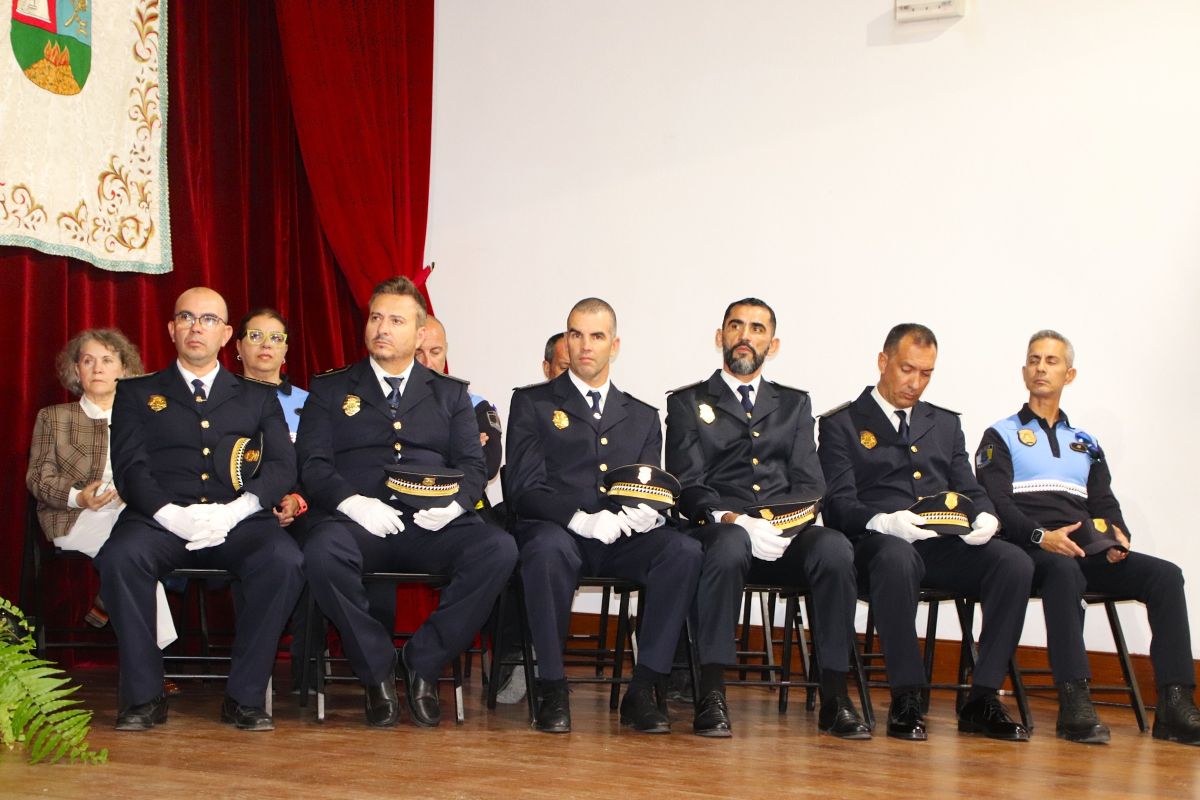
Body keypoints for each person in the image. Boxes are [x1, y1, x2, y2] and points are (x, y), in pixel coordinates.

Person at [295, 276, 517, 728]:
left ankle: (422, 662)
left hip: (430, 520)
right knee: (320, 552)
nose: (382, 328)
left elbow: (473, 466)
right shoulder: (332, 388)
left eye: (396, 320)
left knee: (498, 550)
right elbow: (314, 464)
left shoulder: (450, 394)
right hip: (359, 523)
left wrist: (454, 507)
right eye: (376, 317)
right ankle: (376, 670)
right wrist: (355, 505)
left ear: (419, 335)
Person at [975, 330, 1200, 746]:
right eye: (1035, 360)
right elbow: (998, 505)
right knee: (1062, 571)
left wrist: (1118, 538)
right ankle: (1074, 701)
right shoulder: (1000, 435)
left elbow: (1104, 501)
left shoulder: (1086, 443)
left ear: (1069, 374)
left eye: (1052, 361)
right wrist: (1043, 536)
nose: (1041, 367)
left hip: (1085, 548)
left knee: (1166, 576)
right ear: (1024, 371)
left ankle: (1175, 704)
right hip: (1032, 549)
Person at [97, 287, 304, 732]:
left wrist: (236, 511)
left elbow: (283, 465)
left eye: (209, 319)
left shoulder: (256, 396)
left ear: (226, 334)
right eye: (187, 317)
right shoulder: (137, 393)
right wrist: (172, 514)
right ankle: (144, 697)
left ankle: (244, 698)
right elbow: (130, 468)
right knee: (120, 557)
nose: (197, 326)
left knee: (285, 560)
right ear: (172, 328)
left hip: (237, 520)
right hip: (161, 521)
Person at [818, 323, 1033, 741]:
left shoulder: (944, 424)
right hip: (875, 547)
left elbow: (969, 488)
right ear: (883, 362)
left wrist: (986, 515)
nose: (915, 383)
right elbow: (838, 505)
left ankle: (982, 697)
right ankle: (906, 695)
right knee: (897, 558)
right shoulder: (842, 423)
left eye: (926, 373)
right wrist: (884, 522)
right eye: (906, 369)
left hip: (939, 544)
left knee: (1014, 562)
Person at [664, 298, 868, 739]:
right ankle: (712, 693)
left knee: (834, 548)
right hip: (721, 531)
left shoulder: (794, 404)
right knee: (728, 543)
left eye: (757, 329)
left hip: (783, 534)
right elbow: (688, 484)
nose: (745, 336)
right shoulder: (687, 402)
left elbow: (810, 483)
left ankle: (835, 695)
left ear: (771, 345)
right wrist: (735, 519)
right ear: (720, 337)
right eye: (736, 326)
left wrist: (784, 525)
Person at [506, 297, 703, 734]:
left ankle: (643, 689)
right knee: (545, 550)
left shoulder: (642, 416)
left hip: (621, 539)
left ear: (614, 345)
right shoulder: (532, 404)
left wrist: (648, 514)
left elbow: (651, 485)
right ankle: (552, 688)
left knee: (683, 551)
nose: (585, 346)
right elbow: (523, 489)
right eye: (576, 334)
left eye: (596, 336)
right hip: (561, 532)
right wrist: (579, 519)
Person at [27, 329, 178, 647]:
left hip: (134, 513)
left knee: (137, 547)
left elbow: (165, 474)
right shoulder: (54, 418)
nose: (97, 368)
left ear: (124, 370)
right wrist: (78, 496)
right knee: (135, 557)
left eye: (107, 360)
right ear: (76, 370)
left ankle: (108, 600)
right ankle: (153, 656)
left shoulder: (147, 420)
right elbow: (38, 478)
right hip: (76, 517)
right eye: (88, 360)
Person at [233, 307, 313, 690]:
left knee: (321, 549)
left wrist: (297, 499)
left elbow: (319, 465)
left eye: (276, 338)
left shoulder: (310, 404)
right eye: (256, 336)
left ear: (286, 351)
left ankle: (304, 669)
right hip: (238, 507)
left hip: (299, 507)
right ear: (236, 347)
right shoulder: (219, 400)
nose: (266, 345)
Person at [414, 315, 503, 481]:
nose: (427, 363)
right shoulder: (390, 402)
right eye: (417, 352)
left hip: (460, 503)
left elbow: (488, 467)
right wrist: (461, 446)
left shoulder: (475, 405)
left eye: (435, 352)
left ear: (445, 350)